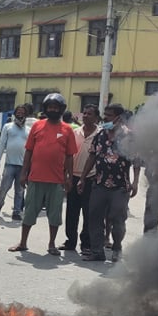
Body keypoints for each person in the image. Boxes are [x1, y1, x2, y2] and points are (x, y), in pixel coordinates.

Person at [7, 93, 77, 255]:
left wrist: (69, 178)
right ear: (45, 108)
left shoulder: (67, 130)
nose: (53, 110)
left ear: (61, 109)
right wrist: (24, 173)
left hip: (57, 181)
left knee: (54, 215)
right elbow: (29, 152)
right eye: (50, 107)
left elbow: (69, 156)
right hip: (35, 178)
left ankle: (51, 244)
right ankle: (23, 242)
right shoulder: (37, 127)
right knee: (30, 212)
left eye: (56, 107)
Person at [78, 103, 139, 262]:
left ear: (118, 117)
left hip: (120, 186)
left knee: (117, 218)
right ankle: (97, 251)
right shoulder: (100, 135)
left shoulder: (129, 137)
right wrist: (83, 178)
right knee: (94, 217)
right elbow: (92, 156)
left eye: (109, 115)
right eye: (105, 115)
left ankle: (117, 248)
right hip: (99, 184)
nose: (105, 118)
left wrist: (135, 182)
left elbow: (137, 161)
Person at [60, 104, 100, 254]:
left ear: (96, 117)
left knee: (88, 212)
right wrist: (66, 176)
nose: (86, 116)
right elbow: (67, 154)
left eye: (90, 114)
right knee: (72, 211)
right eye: (84, 113)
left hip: (91, 178)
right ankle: (70, 241)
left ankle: (86, 244)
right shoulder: (74, 132)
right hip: (74, 176)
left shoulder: (100, 134)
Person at [0, 103, 31, 221]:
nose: (20, 114)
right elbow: (1, 144)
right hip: (10, 164)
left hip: (22, 165)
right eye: (18, 112)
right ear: (15, 114)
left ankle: (16, 211)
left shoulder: (29, 130)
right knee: (4, 188)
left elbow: (30, 149)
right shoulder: (8, 127)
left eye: (22, 113)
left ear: (26, 115)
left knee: (20, 191)